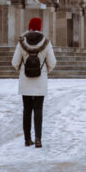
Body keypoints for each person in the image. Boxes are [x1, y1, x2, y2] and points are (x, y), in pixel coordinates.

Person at [11, 17, 56, 148]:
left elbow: (14, 62)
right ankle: (38, 139)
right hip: (40, 81)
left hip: (25, 80)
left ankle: (27, 139)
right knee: (38, 109)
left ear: (29, 27)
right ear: (40, 27)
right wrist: (45, 71)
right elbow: (52, 62)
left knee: (27, 110)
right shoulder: (46, 42)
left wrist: (21, 69)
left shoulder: (21, 42)